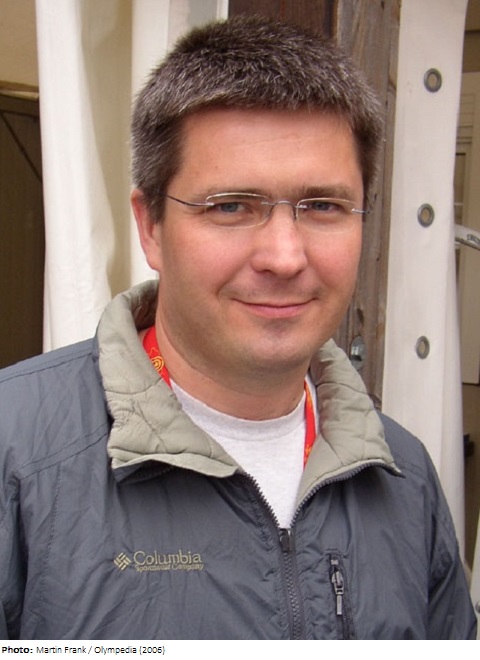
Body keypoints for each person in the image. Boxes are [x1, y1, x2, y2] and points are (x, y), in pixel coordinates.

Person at [0, 15, 476, 640]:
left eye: (323, 206)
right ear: (150, 227)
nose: (284, 257)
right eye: (230, 206)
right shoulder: (17, 454)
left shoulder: (403, 477)